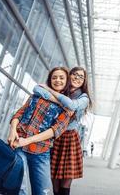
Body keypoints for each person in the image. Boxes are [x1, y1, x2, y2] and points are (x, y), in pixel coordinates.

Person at [7, 67, 72, 195]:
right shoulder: (36, 96)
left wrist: (27, 141)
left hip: (41, 152)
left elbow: (55, 131)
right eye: (54, 77)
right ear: (49, 80)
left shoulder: (68, 107)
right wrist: (12, 130)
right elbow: (19, 114)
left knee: (42, 192)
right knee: (18, 188)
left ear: (66, 82)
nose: (57, 80)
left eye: (61, 78)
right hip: (18, 146)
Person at [30, 66, 92, 195]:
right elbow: (36, 88)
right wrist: (56, 97)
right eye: (75, 74)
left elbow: (72, 105)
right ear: (69, 76)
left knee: (65, 183)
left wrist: (51, 93)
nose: (77, 78)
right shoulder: (62, 90)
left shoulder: (84, 97)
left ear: (84, 81)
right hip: (53, 136)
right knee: (54, 180)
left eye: (81, 76)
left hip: (69, 139)